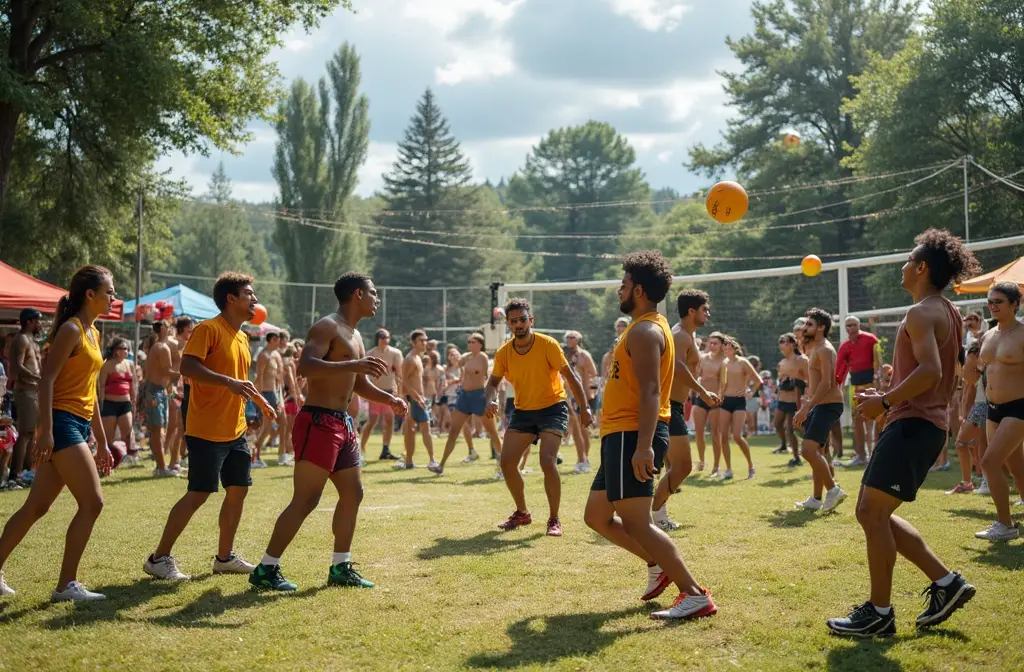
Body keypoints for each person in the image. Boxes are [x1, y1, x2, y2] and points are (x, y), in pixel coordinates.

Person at [827, 229, 979, 636]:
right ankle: (947, 583)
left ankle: (879, 613)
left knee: (869, 513)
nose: (903, 266)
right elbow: (931, 373)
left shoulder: (921, 312)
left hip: (913, 424)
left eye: (908, 260)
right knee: (874, 513)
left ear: (922, 267)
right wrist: (889, 396)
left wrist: (888, 402)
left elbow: (932, 372)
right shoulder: (944, 310)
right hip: (920, 424)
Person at [250, 273, 408, 591]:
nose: (377, 299)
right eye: (373, 293)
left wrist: (389, 398)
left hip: (342, 424)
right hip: (318, 422)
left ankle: (340, 567)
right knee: (306, 499)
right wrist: (352, 366)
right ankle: (266, 569)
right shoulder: (327, 326)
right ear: (357, 294)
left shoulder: (356, 335)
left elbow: (358, 382)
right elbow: (306, 366)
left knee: (354, 494)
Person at [583, 251, 716, 620]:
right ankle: (658, 567)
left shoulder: (645, 331)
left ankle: (694, 594)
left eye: (623, 285)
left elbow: (651, 392)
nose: (618, 291)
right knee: (596, 516)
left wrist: (643, 447)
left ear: (638, 290)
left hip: (632, 436)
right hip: (619, 435)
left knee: (640, 522)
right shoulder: (645, 326)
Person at [144, 272, 273, 581]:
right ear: (231, 298)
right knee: (198, 494)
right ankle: (158, 558)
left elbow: (239, 379)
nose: (254, 300)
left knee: (238, 490)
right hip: (206, 429)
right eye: (249, 294)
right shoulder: (208, 329)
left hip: (236, 429)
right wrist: (227, 382)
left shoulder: (242, 336)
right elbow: (188, 367)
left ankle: (225, 558)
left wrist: (259, 400)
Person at [0, 266, 115, 601]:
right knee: (92, 503)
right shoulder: (71, 329)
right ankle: (66, 585)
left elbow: (90, 390)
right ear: (90, 295)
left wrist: (103, 440)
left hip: (76, 423)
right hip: (61, 424)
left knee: (36, 507)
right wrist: (45, 431)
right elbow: (47, 380)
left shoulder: (93, 333)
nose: (113, 296)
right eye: (109, 291)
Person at [484, 298, 591, 537]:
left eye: (523, 319)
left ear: (530, 320)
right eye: (514, 321)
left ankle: (554, 519)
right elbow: (492, 382)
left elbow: (570, 377)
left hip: (553, 408)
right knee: (507, 463)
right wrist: (490, 399)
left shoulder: (548, 344)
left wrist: (585, 407)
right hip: (524, 411)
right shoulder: (504, 353)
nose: (519, 324)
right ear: (509, 325)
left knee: (547, 461)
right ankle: (522, 512)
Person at [652, 290, 720, 532]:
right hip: (667, 406)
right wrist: (702, 392)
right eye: (704, 310)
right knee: (681, 466)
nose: (708, 314)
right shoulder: (680, 335)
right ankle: (656, 514)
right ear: (692, 311)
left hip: (673, 406)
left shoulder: (687, 335)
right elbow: (678, 367)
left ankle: (653, 512)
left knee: (669, 466)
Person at [974, 281, 1024, 541]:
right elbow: (983, 370)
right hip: (993, 408)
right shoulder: (989, 335)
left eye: (999, 301)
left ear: (1015, 304)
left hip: (1019, 407)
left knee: (989, 462)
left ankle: (1005, 525)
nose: (992, 306)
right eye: (990, 301)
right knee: (1015, 466)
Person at [793, 308, 847, 513]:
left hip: (828, 405)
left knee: (808, 450)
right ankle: (816, 499)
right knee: (820, 452)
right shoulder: (815, 349)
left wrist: (805, 407)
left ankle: (833, 490)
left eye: (809, 324)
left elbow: (827, 383)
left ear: (821, 327)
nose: (804, 327)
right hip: (819, 404)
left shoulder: (825, 349)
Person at [432, 333, 501, 476]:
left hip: (479, 396)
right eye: (468, 341)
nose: (469, 343)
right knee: (453, 432)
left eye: (473, 341)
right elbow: (457, 363)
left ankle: (502, 467)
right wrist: (456, 357)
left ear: (480, 344)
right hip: (464, 396)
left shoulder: (483, 358)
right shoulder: (467, 356)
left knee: (492, 432)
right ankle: (441, 465)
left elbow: (489, 379)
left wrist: (493, 399)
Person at [836, 316, 880, 466]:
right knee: (857, 421)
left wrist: (878, 383)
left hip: (871, 385)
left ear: (859, 325)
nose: (851, 328)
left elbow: (878, 362)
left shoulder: (871, 339)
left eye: (853, 325)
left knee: (874, 420)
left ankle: (876, 454)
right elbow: (840, 369)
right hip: (854, 386)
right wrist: (838, 386)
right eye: (848, 326)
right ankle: (861, 455)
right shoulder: (844, 346)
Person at [8, 308, 42, 486]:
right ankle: (16, 474)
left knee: (32, 433)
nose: (41, 324)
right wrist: (37, 378)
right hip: (24, 391)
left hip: (34, 392)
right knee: (25, 434)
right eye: (38, 320)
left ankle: (28, 471)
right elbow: (18, 366)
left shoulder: (33, 341)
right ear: (30, 321)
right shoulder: (21, 339)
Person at [358, 329, 403, 461]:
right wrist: (365, 393)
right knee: (372, 421)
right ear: (377, 339)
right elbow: (365, 376)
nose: (386, 339)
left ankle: (386, 450)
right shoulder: (370, 354)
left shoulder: (395, 353)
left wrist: (399, 393)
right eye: (383, 337)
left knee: (389, 420)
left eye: (387, 337)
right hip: (375, 392)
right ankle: (361, 449)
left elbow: (399, 374)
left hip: (390, 391)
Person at [719, 338, 761, 480]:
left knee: (737, 436)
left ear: (735, 348)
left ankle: (751, 466)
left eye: (729, 347)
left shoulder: (743, 362)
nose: (726, 349)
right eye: (724, 347)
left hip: (739, 401)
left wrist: (749, 392)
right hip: (725, 401)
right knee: (723, 436)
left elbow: (758, 380)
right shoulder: (724, 363)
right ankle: (728, 469)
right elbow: (722, 384)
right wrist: (719, 397)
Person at [949, 339, 986, 495]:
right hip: (982, 405)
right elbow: (969, 385)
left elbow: (969, 378)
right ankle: (974, 482)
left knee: (964, 444)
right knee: (976, 445)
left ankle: (980, 482)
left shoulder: (975, 353)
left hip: (984, 406)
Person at [395, 330, 434, 470]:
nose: (424, 343)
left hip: (416, 399)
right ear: (413, 342)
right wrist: (417, 398)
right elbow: (403, 381)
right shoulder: (410, 359)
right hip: (413, 399)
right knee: (425, 428)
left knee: (411, 431)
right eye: (421, 341)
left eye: (425, 340)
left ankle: (409, 462)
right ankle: (432, 461)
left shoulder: (418, 357)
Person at [142, 321, 176, 477]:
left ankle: (161, 466)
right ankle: (161, 468)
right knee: (157, 431)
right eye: (168, 327)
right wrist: (186, 371)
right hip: (155, 391)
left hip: (158, 391)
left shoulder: (158, 346)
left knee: (159, 430)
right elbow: (167, 370)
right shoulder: (161, 347)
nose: (170, 330)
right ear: (163, 329)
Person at [97, 338, 138, 465]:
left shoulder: (130, 364)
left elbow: (133, 383)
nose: (126, 351)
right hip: (109, 403)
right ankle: (106, 459)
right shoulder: (107, 365)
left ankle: (131, 457)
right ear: (116, 351)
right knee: (108, 437)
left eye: (127, 348)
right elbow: (101, 385)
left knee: (128, 432)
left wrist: (134, 399)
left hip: (125, 403)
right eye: (123, 348)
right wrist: (101, 403)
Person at [563, 331, 598, 474]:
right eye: (568, 337)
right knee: (575, 428)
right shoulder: (565, 355)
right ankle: (581, 458)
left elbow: (594, 375)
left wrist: (592, 395)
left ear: (578, 340)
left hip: (584, 397)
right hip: (570, 396)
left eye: (572, 337)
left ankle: (585, 458)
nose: (569, 340)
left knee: (584, 429)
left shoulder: (584, 355)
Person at [694, 333, 727, 474]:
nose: (712, 346)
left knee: (715, 433)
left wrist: (721, 397)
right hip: (701, 398)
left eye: (716, 343)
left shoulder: (724, 361)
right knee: (699, 432)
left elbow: (723, 383)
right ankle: (701, 462)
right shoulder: (702, 358)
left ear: (721, 346)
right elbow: (696, 376)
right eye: (711, 343)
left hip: (716, 401)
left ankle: (716, 466)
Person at [165, 317, 195, 473]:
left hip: (186, 389)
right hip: (174, 390)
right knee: (175, 427)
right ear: (182, 328)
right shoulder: (172, 344)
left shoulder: (188, 345)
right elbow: (167, 367)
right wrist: (170, 388)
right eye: (190, 328)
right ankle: (170, 462)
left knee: (183, 428)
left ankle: (176, 460)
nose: (192, 330)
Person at [775, 333, 808, 464]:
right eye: (781, 342)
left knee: (791, 428)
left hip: (796, 399)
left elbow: (809, 378)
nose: (782, 345)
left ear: (793, 344)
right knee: (777, 424)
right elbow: (780, 380)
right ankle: (785, 445)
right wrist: (782, 381)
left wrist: (796, 380)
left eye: (785, 342)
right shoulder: (782, 362)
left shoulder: (802, 359)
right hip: (782, 398)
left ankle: (797, 457)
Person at [253, 332, 283, 468]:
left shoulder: (276, 355)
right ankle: (255, 456)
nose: (279, 342)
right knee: (266, 426)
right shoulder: (263, 355)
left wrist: (279, 397)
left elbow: (278, 378)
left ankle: (257, 454)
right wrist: (258, 397)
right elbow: (259, 376)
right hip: (265, 393)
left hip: (274, 394)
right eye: (276, 340)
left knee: (279, 423)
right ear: (270, 341)